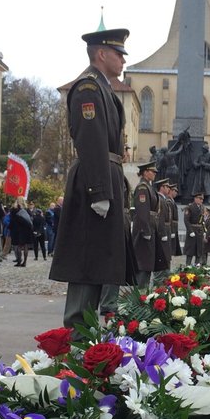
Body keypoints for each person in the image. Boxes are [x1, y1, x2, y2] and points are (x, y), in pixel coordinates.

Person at [49, 27, 136, 329]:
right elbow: (91, 139)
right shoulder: (89, 88)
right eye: (118, 53)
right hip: (92, 181)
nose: (123, 60)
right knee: (87, 260)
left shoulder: (103, 88)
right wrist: (99, 190)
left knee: (99, 260)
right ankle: (76, 331)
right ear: (102, 54)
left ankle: (85, 332)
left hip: (103, 177)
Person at [131, 160, 165, 286]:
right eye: (152, 171)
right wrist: (145, 230)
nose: (155, 173)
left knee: (148, 262)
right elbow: (142, 210)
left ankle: (143, 291)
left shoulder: (148, 187)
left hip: (150, 227)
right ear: (145, 172)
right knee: (143, 262)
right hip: (144, 229)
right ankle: (140, 293)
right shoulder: (142, 188)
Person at [10, 199, 34, 266]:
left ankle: (19, 261)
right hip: (27, 229)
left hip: (18, 229)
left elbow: (12, 220)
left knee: (19, 246)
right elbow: (31, 219)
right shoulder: (27, 210)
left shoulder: (14, 210)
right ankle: (25, 262)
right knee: (26, 246)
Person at [183, 192, 206, 265]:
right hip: (192, 231)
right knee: (190, 251)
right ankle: (188, 267)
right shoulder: (190, 207)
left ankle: (197, 268)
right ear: (195, 198)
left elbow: (203, 220)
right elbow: (186, 220)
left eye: (202, 199)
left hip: (199, 231)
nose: (201, 200)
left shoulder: (202, 207)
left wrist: (205, 230)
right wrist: (190, 231)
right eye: (200, 198)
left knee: (199, 251)